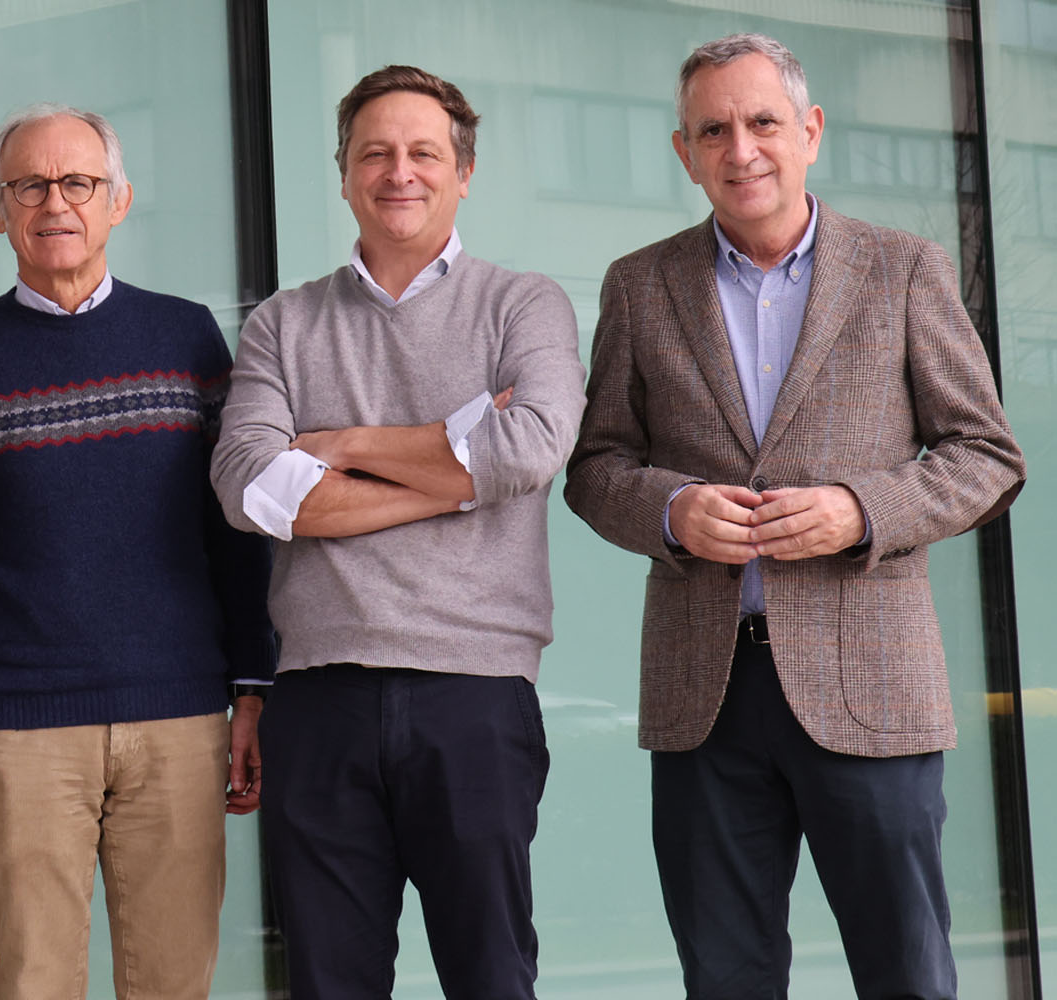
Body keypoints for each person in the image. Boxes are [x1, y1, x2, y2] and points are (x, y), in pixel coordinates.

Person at [564, 32, 1025, 999]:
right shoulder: (640, 286)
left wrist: (862, 510)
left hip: (875, 689)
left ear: (810, 131)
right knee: (724, 977)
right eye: (715, 130)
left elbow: (986, 457)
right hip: (707, 695)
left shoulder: (904, 269)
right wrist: (672, 509)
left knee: (907, 973)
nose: (743, 150)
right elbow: (596, 466)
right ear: (683, 152)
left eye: (764, 122)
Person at [210, 65, 585, 1000]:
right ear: (342, 174)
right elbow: (250, 490)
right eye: (374, 153)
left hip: (476, 695)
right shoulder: (282, 325)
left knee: (491, 976)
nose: (399, 172)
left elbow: (533, 449)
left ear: (464, 173)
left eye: (424, 153)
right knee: (330, 985)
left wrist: (341, 448)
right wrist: (461, 462)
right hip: (319, 698)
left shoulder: (523, 304)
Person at [0, 103, 275, 1000]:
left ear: (120, 200)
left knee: (177, 978)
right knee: (34, 980)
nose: (54, 202)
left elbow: (235, 533)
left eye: (79, 182)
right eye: (28, 184)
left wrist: (253, 693)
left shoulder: (188, 339)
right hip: (17, 728)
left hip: (179, 718)